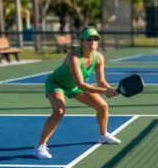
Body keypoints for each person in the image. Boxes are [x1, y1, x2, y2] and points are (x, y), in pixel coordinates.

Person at [34, 27, 120, 159]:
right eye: (89, 39)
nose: (93, 42)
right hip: (57, 83)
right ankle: (40, 146)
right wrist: (105, 91)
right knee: (59, 111)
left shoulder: (99, 58)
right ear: (82, 42)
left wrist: (110, 89)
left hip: (74, 86)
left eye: (95, 39)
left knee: (103, 107)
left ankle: (103, 136)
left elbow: (101, 81)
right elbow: (81, 84)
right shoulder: (73, 57)